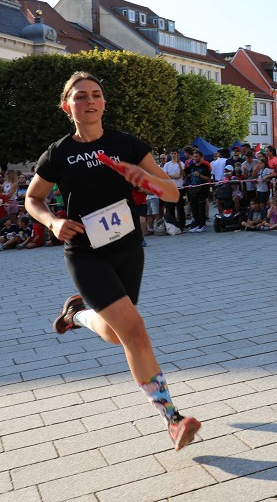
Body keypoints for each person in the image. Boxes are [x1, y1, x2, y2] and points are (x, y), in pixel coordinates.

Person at [24, 71, 200, 451]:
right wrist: (53, 221)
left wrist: (144, 178)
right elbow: (32, 199)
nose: (90, 101)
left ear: (104, 103)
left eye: (96, 95)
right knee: (134, 331)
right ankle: (172, 418)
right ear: (66, 106)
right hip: (85, 254)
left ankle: (76, 315)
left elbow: (171, 194)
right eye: (80, 96)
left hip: (127, 248)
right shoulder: (58, 153)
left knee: (111, 332)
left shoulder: (127, 144)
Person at [183, 150, 211, 233]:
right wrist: (178, 164)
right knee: (194, 208)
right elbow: (184, 173)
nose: (195, 158)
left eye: (197, 156)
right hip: (192, 190)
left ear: (201, 157)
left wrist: (200, 175)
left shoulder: (204, 167)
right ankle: (197, 224)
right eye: (194, 156)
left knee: (201, 208)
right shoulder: (191, 166)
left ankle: (202, 225)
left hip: (202, 189)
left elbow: (208, 179)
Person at [161, 150, 186, 233]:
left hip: (179, 188)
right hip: (170, 188)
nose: (173, 155)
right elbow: (165, 176)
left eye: (175, 153)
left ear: (177, 154)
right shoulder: (167, 164)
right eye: (172, 153)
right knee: (170, 208)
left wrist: (169, 175)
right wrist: (171, 176)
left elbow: (179, 175)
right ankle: (173, 225)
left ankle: (182, 225)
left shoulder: (181, 164)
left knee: (180, 208)